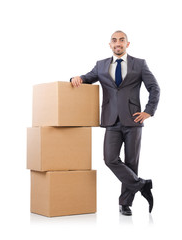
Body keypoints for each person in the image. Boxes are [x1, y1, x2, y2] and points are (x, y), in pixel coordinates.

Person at [71, 30, 160, 216]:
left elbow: (154, 88)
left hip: (133, 119)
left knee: (131, 161)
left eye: (121, 40)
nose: (117, 43)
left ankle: (125, 203)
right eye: (114, 40)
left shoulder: (139, 64)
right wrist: (75, 78)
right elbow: (87, 78)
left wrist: (148, 111)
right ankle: (142, 185)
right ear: (109, 45)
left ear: (127, 44)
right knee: (110, 159)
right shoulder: (101, 65)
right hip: (111, 120)